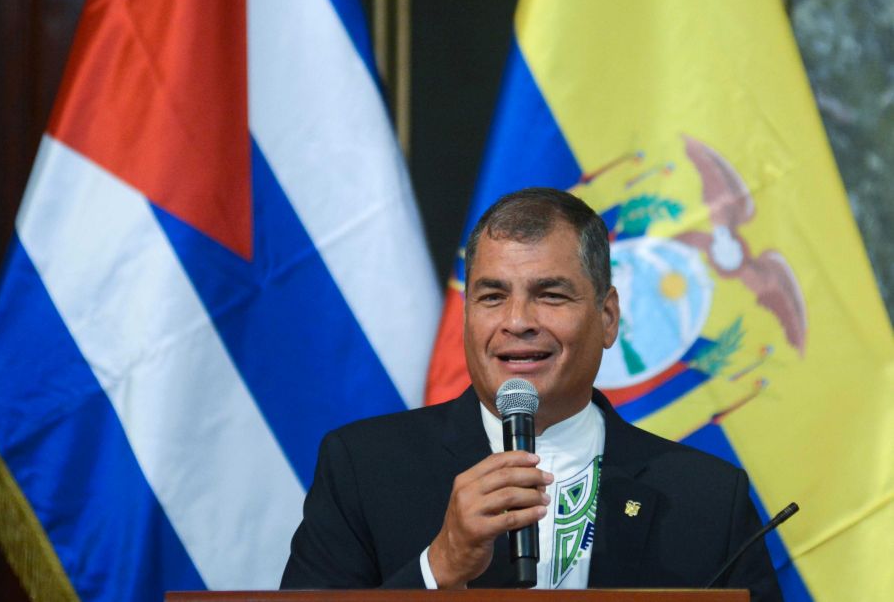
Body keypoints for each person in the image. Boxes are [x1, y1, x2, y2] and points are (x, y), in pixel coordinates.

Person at [281, 187, 782, 599]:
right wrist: (440, 567)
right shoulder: (364, 467)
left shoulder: (706, 498)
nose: (517, 322)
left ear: (607, 318)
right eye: (493, 297)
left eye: (550, 295)